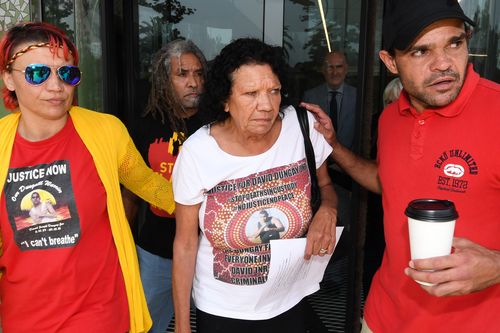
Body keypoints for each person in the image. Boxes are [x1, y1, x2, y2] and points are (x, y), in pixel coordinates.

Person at [302, 0, 500, 332]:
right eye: (420, 51)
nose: (443, 64)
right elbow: (387, 180)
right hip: (382, 317)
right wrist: (333, 146)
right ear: (390, 62)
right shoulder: (392, 118)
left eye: (455, 43)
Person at [0, 21, 174, 333]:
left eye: (66, 73)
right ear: (8, 79)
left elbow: (148, 184)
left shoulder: (106, 132)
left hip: (99, 313)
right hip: (23, 317)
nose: (56, 86)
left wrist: (207, 209)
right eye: (38, 73)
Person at [172, 38, 338, 333]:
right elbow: (185, 244)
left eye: (273, 91)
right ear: (225, 99)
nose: (266, 105)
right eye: (250, 94)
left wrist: (328, 209)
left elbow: (325, 186)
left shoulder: (300, 128)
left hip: (290, 298)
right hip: (223, 309)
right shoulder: (198, 153)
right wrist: (183, 326)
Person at [122, 39, 207, 333]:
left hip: (209, 255)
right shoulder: (143, 127)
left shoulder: (217, 125)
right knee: (145, 326)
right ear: (163, 79)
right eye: (182, 74)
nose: (193, 82)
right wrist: (121, 247)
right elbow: (131, 196)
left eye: (198, 73)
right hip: (155, 254)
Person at [302, 50, 357, 150]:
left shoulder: (358, 96)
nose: (335, 72)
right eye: (330, 67)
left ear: (346, 69)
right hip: (319, 159)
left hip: (351, 158)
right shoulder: (310, 97)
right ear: (323, 70)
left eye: (339, 67)